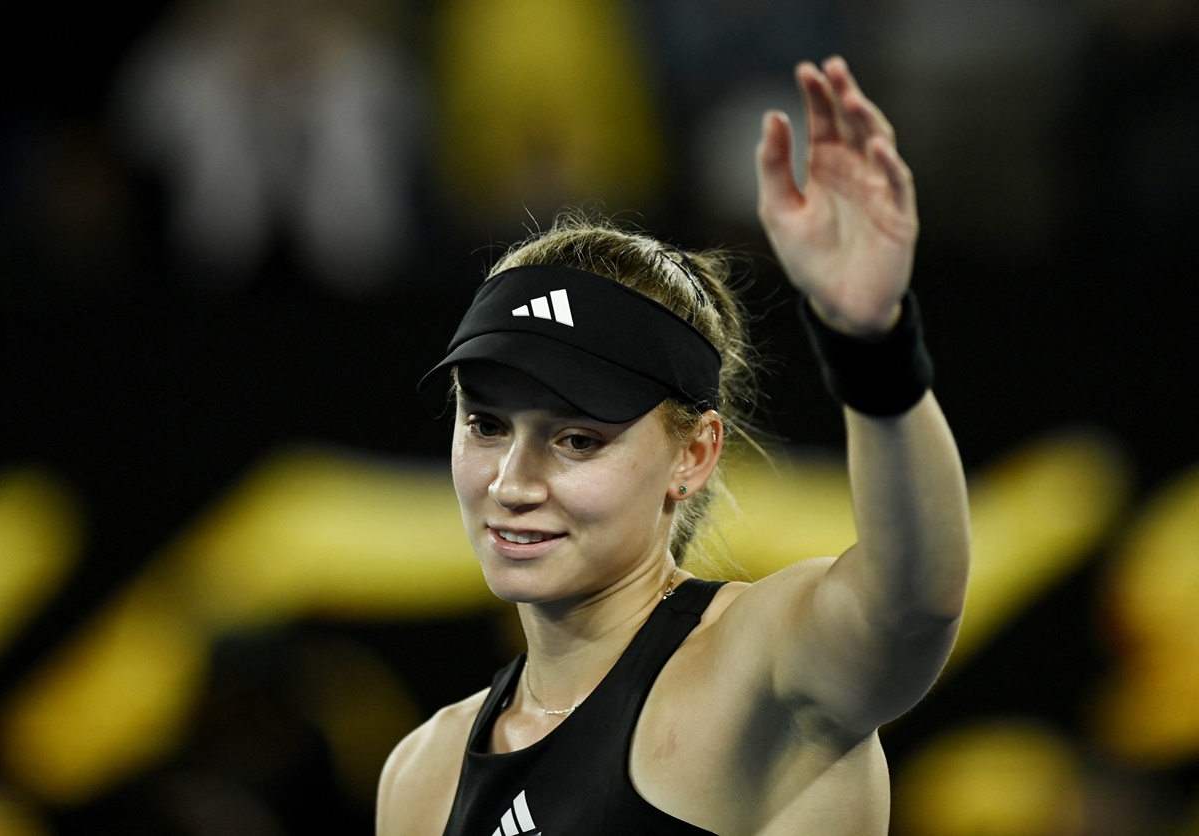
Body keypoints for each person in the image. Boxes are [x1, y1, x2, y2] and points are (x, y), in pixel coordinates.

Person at [377, 56, 970, 835]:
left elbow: (912, 608)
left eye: (578, 439)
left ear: (693, 455)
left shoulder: (758, 673)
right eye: (487, 425)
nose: (513, 482)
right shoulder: (420, 773)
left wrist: (873, 347)